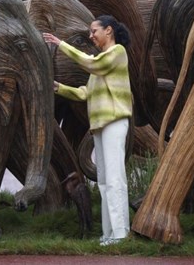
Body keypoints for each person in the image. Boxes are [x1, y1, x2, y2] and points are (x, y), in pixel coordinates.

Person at [43, 15, 132, 246]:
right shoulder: (102, 61)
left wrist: (61, 44)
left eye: (94, 31)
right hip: (101, 125)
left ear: (108, 31)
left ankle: (121, 234)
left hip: (114, 122)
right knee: (104, 181)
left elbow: (90, 64)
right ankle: (109, 234)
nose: (91, 35)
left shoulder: (117, 53)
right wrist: (58, 87)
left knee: (115, 179)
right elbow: (85, 93)